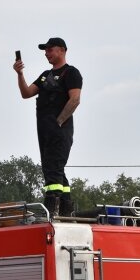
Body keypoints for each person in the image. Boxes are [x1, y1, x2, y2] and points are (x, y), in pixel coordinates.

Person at [13, 37, 82, 216]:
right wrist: (20, 74)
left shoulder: (71, 73)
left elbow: (75, 99)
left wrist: (59, 122)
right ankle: (67, 210)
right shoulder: (45, 75)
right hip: (43, 130)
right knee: (54, 169)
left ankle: (51, 207)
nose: (46, 53)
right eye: (45, 50)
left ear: (61, 50)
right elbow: (26, 93)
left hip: (59, 130)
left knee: (53, 169)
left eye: (50, 50)